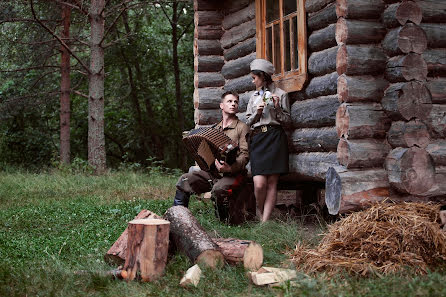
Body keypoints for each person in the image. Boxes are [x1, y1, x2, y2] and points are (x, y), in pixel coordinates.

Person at [173, 91, 250, 209]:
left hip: (233, 174)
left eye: (235, 102)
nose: (233, 104)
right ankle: (178, 214)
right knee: (185, 179)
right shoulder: (214, 129)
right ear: (221, 106)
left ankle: (224, 222)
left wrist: (230, 168)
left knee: (218, 189)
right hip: (213, 173)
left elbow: (245, 155)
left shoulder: (242, 127)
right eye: (229, 101)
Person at [245, 59, 291, 222]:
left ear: (262, 76)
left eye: (254, 78)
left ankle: (264, 222)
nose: (253, 81)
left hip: (275, 138)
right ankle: (260, 208)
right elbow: (247, 123)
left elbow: (287, 121)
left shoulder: (281, 94)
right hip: (258, 139)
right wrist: (257, 113)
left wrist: (277, 107)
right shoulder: (253, 98)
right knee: (259, 183)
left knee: (272, 183)